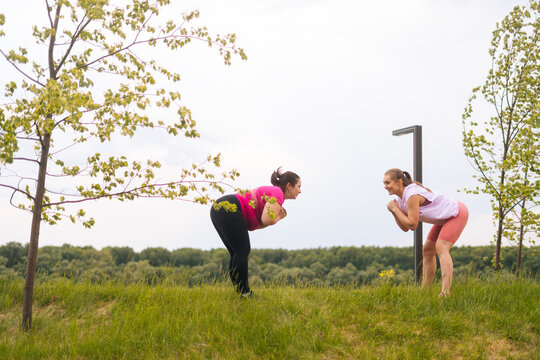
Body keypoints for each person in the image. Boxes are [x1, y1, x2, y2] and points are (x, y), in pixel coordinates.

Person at [210, 168, 301, 298]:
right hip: (229, 207)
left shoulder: (275, 193)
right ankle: (245, 293)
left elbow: (257, 224)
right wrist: (279, 218)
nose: (300, 190)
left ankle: (240, 293)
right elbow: (266, 220)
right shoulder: (278, 194)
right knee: (242, 250)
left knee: (237, 252)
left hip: (219, 208)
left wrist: (275, 218)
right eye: (298, 186)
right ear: (289, 186)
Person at [383, 168, 468, 297]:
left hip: (456, 212)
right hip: (443, 218)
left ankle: (445, 292)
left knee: (441, 247)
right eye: (384, 183)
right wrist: (395, 211)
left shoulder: (411, 195)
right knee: (427, 251)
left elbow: (412, 224)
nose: (385, 186)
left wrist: (395, 209)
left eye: (387, 182)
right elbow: (405, 227)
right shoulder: (400, 200)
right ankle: (425, 293)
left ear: (399, 181)